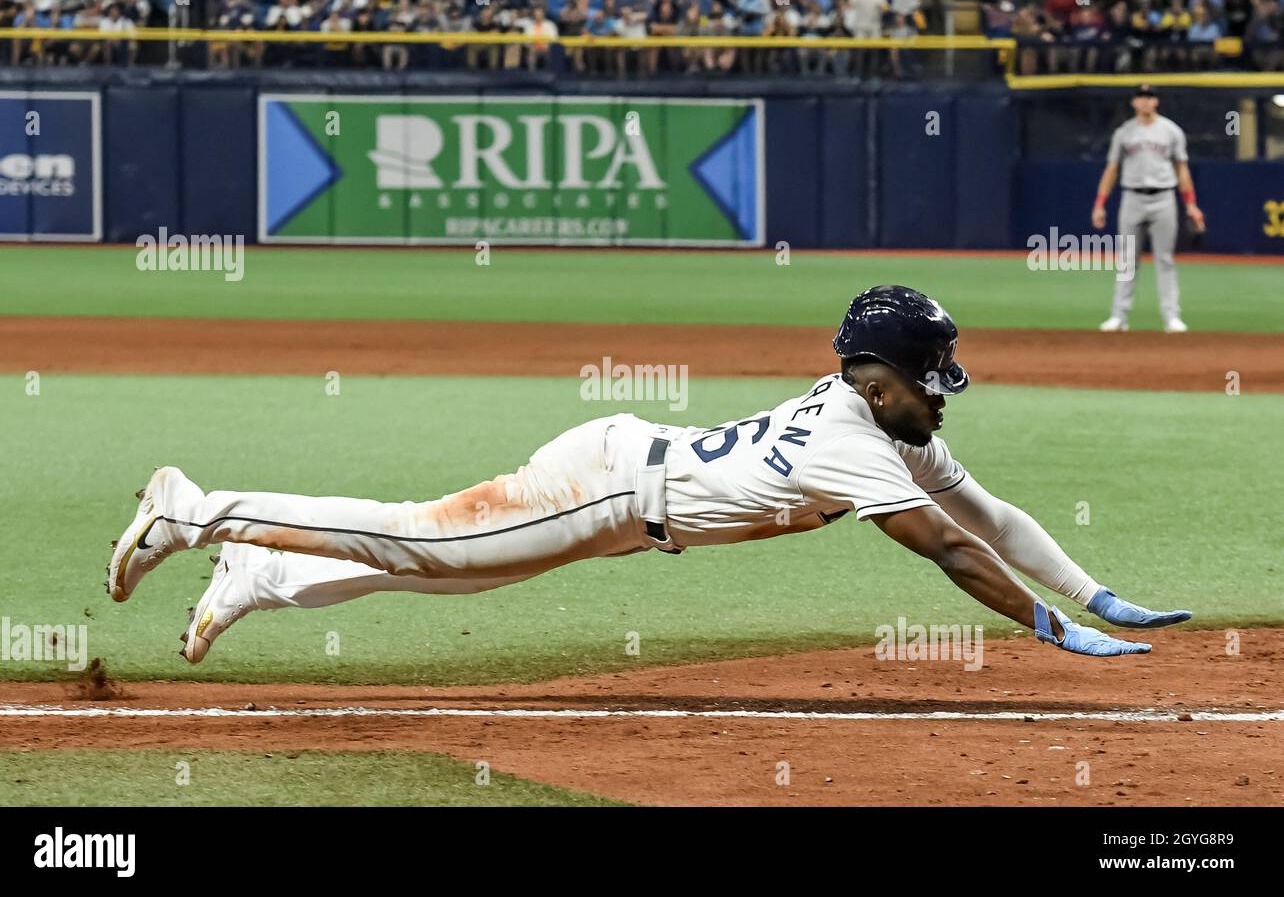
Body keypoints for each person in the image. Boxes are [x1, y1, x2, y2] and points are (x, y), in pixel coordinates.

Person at [106, 286, 1190, 664]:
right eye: (932, 373)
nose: (946, 388)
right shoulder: (855, 437)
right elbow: (952, 547)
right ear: (882, 373)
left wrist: (1091, 592)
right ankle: (196, 511)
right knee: (419, 539)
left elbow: (987, 512)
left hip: (629, 491)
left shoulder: (895, 422)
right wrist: (1044, 630)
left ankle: (260, 573)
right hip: (612, 486)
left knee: (442, 569)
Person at [1092, 84, 1205, 333]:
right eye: (1141, 97)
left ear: (1156, 101)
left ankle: (1171, 317)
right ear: (1134, 102)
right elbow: (1112, 169)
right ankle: (1119, 316)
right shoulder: (1124, 132)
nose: (1145, 101)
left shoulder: (1171, 131)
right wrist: (1100, 203)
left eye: (1149, 97)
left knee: (1164, 259)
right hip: (1132, 197)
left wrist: (1191, 204)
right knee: (1127, 260)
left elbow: (1182, 169)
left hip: (1163, 197)